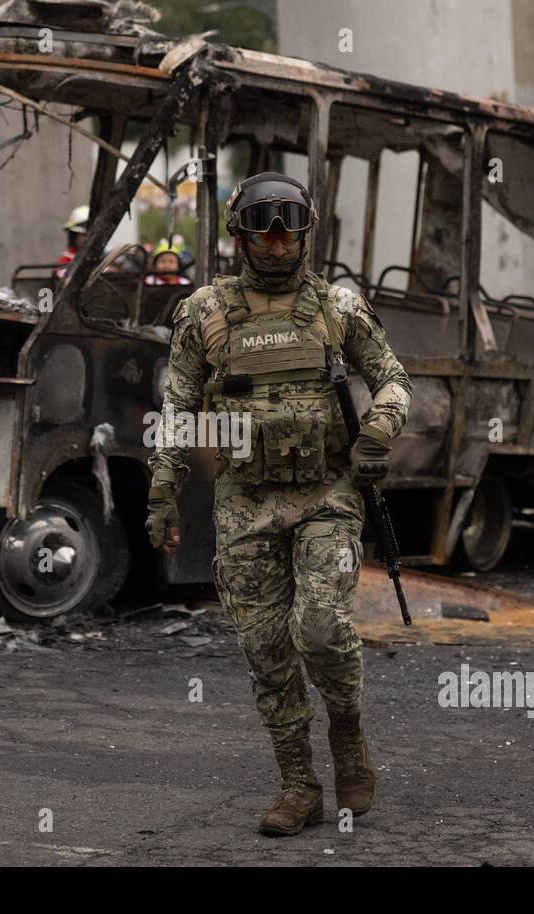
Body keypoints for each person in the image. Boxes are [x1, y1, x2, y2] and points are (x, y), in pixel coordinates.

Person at [146, 172, 411, 836]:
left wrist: (379, 432)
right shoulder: (204, 312)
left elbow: (395, 383)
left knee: (319, 628)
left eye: (287, 223)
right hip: (244, 503)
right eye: (261, 223)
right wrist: (162, 494)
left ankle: (348, 735)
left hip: (325, 494)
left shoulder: (338, 308)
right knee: (265, 650)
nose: (274, 239)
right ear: (238, 231)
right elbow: (177, 410)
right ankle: (298, 785)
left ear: (306, 230)